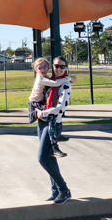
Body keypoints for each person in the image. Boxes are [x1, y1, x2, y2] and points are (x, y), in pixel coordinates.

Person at [36, 56, 74, 205]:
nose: (59, 69)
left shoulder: (65, 85)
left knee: (42, 158)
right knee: (50, 158)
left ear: (66, 68)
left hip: (53, 124)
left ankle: (64, 190)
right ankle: (56, 191)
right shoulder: (51, 82)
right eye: (57, 66)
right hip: (42, 123)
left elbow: (60, 108)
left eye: (62, 67)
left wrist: (43, 113)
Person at [28, 57, 74, 157]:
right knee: (44, 157)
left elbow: (61, 107)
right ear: (36, 70)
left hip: (42, 105)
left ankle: (55, 144)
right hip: (36, 103)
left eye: (45, 66)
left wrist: (44, 112)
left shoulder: (62, 84)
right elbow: (56, 83)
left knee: (51, 117)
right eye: (40, 67)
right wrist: (69, 78)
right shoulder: (44, 79)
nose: (43, 69)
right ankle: (57, 137)